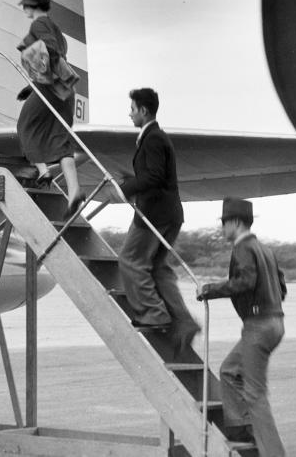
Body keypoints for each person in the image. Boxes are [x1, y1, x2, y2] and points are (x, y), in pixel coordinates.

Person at [197, 197, 286, 456]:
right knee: (229, 371)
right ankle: (241, 427)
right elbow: (282, 288)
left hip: (258, 326)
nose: (222, 228)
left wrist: (209, 290)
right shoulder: (265, 249)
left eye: (224, 223)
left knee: (256, 394)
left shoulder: (243, 248)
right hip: (275, 322)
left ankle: (272, 453)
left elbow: (245, 281)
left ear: (235, 222)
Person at [116, 88, 201, 348]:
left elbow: (153, 177)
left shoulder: (152, 138)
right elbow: (157, 175)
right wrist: (131, 180)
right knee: (159, 269)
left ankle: (154, 315)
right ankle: (184, 321)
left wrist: (125, 188)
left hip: (156, 214)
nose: (129, 114)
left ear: (143, 111)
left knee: (131, 261)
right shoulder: (156, 137)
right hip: (171, 214)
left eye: (132, 109)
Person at [15, 0, 85, 212]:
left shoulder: (39, 23)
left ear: (32, 6)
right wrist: (32, 86)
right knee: (59, 138)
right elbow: (56, 51)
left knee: (26, 125)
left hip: (52, 88)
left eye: (25, 4)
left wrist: (37, 58)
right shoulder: (54, 25)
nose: (24, 9)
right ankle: (74, 189)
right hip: (65, 89)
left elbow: (50, 51)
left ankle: (43, 170)